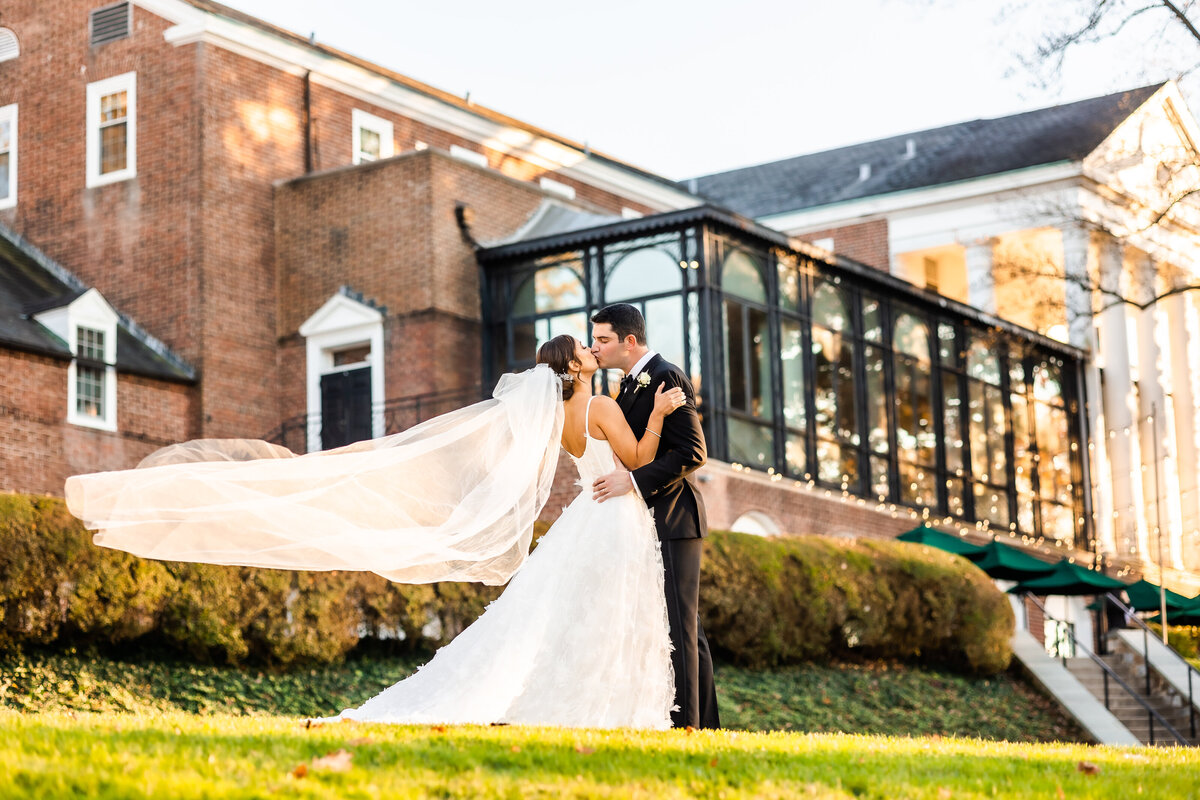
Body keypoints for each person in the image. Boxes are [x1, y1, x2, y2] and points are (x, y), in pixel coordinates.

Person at [66, 335, 688, 729]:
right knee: (612, 613)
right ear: (578, 366)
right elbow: (636, 460)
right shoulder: (603, 407)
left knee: (576, 613)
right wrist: (659, 416)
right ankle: (610, 704)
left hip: (589, 515)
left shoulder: (557, 420)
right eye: (588, 349)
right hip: (613, 519)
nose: (594, 352)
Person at [589, 303, 721, 730]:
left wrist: (634, 481)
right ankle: (705, 726)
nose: (597, 348)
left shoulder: (666, 376)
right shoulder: (624, 388)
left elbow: (692, 452)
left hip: (675, 518)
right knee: (685, 627)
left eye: (603, 340)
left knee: (679, 627)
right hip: (647, 522)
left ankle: (688, 727)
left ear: (629, 342)